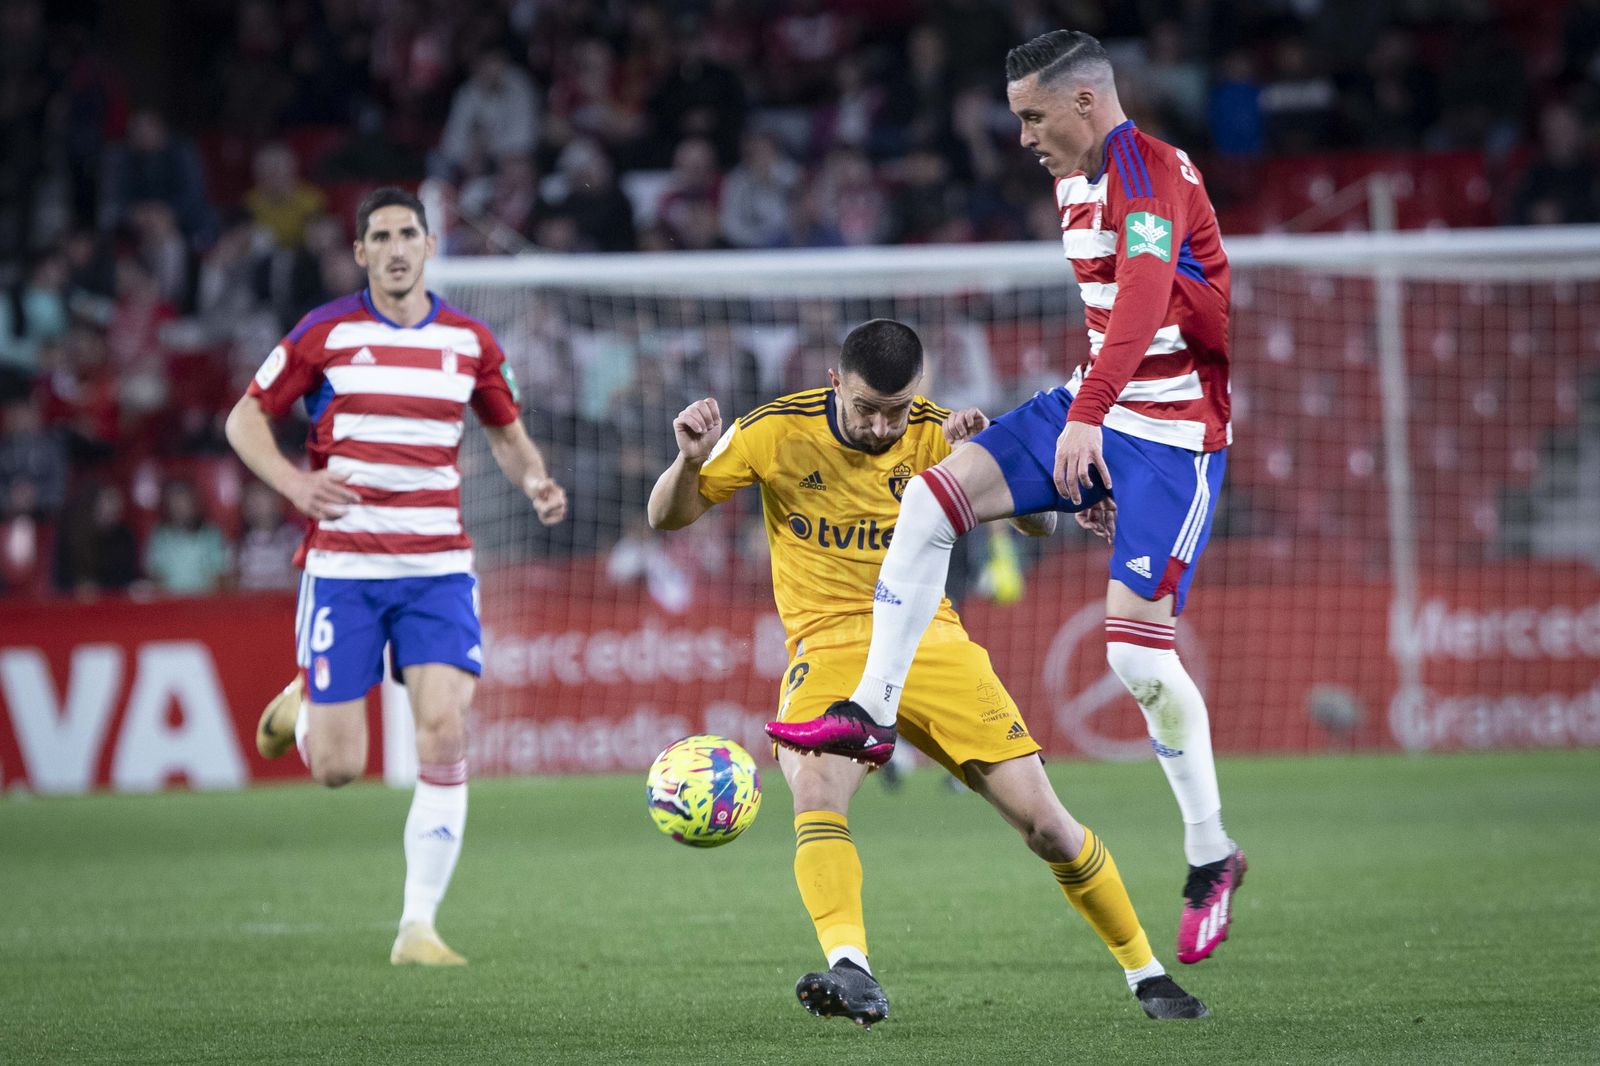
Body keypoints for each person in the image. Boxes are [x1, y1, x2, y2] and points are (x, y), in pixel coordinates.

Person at [766, 30, 1246, 969]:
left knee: (1135, 657)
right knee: (932, 495)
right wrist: (1086, 429)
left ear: (1083, 102)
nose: (1021, 136)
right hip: (1098, 407)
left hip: (1173, 436)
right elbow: (1118, 317)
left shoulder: (1143, 178)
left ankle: (1209, 852)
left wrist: (1091, 425)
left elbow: (1147, 301)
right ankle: (869, 710)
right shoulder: (1072, 175)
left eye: (1032, 116)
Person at [648, 319, 1207, 1026]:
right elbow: (667, 516)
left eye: (898, 410)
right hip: (831, 649)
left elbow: (1039, 527)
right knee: (816, 792)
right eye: (866, 410)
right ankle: (852, 969)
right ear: (834, 386)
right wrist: (688, 461)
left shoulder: (943, 431)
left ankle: (1147, 975)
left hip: (932, 645)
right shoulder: (773, 431)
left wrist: (982, 456)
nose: (883, 427)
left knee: (1047, 828)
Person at [224, 187, 568, 966]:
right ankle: (303, 702)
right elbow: (243, 419)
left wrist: (537, 482)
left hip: (437, 568)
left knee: (445, 728)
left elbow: (507, 434)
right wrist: (293, 484)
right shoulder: (326, 333)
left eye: (408, 232)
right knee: (341, 769)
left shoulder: (469, 341)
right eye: (380, 236)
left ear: (429, 243)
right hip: (344, 570)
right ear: (361, 253)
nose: (397, 247)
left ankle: (418, 926)